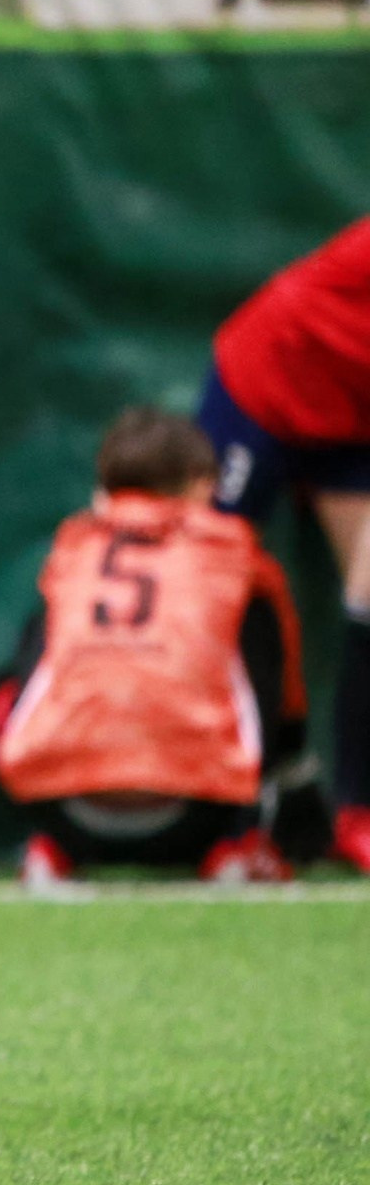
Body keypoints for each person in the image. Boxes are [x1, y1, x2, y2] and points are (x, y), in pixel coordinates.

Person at [0, 409, 308, 886]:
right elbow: (286, 700)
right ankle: (240, 840)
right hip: (195, 819)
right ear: (202, 484)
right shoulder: (234, 552)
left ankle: (47, 846)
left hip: (67, 816)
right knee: (250, 634)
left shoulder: (72, 548)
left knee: (13, 691)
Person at [195, 218, 370, 874]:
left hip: (354, 410)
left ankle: (356, 814)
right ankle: (214, 813)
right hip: (266, 380)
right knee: (205, 580)